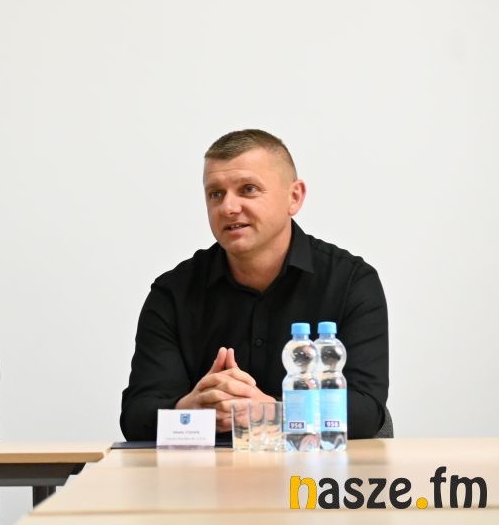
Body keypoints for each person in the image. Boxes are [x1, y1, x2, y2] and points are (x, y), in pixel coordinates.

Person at [120, 129, 388, 441]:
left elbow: (366, 410)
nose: (228, 207)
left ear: (294, 197)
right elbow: (137, 415)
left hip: (315, 467)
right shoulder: (173, 293)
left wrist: (270, 412)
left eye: (248, 189)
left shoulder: (351, 282)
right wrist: (192, 409)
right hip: (210, 471)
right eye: (215, 194)